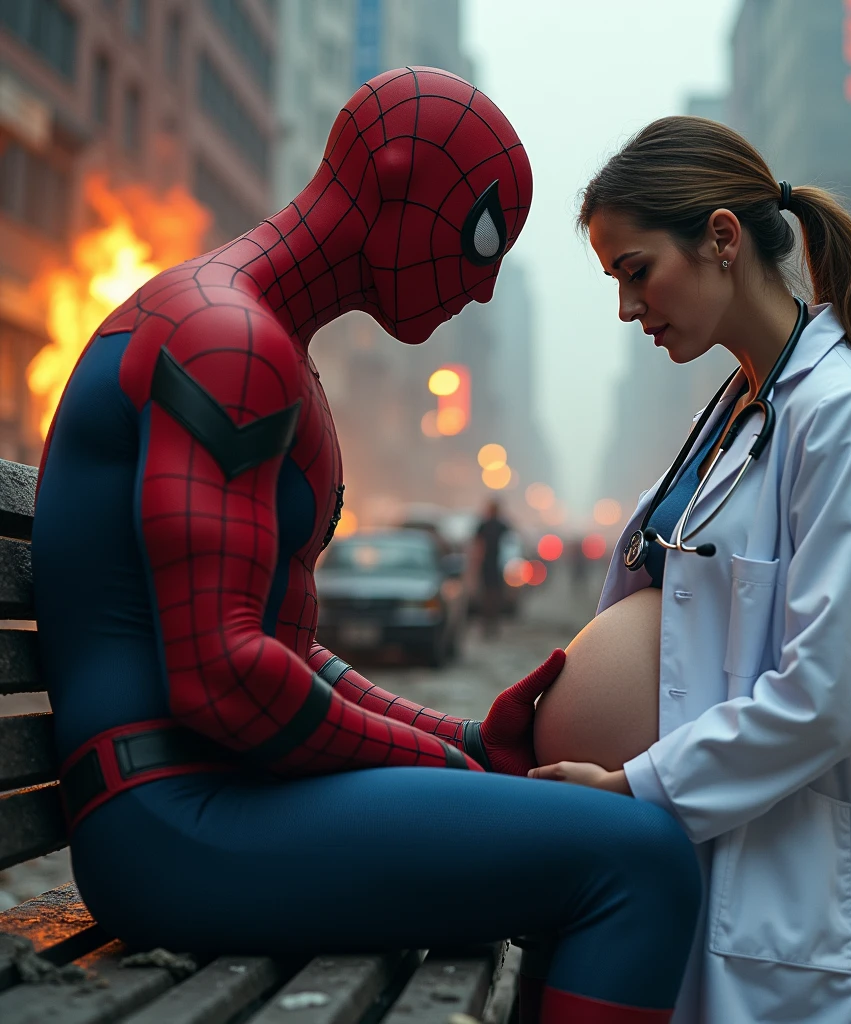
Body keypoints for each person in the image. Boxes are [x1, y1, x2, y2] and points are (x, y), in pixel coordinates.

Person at [32, 69, 701, 1023]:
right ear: (392, 179)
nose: (481, 287)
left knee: (593, 841)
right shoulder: (226, 341)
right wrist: (451, 767)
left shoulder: (263, 346)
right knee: (643, 862)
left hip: (201, 802)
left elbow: (289, 651)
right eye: (478, 237)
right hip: (172, 825)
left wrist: (462, 738)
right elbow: (226, 680)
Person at [529, 116, 851, 1022]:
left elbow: (836, 690)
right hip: (700, 870)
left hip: (797, 905)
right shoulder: (740, 410)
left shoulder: (847, 421)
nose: (626, 308)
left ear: (722, 238)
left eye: (635, 271)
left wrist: (637, 785)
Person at [473, 498, 510, 636]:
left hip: (494, 564)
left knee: (490, 595)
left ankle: (490, 624)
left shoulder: (489, 525)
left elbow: (478, 545)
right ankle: (490, 624)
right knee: (490, 595)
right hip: (492, 564)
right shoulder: (493, 525)